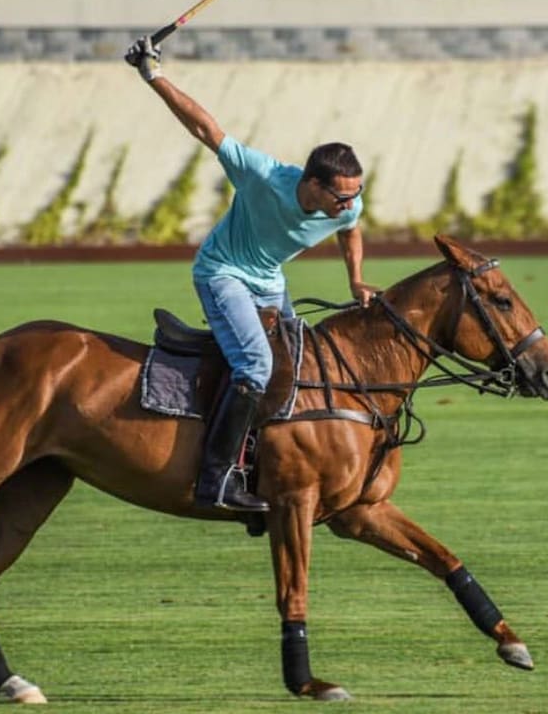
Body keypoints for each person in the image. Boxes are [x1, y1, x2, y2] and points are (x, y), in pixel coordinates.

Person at [125, 35, 379, 513]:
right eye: (341, 196)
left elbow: (352, 230)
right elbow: (204, 128)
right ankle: (216, 478)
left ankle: (265, 464)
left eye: (355, 194)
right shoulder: (262, 175)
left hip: (270, 282)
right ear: (312, 184)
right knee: (256, 366)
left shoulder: (346, 205)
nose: (349, 204)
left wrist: (356, 281)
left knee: (301, 364)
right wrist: (152, 74)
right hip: (223, 273)